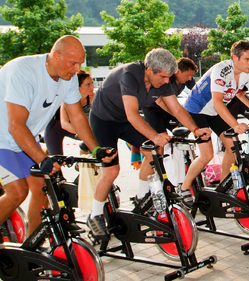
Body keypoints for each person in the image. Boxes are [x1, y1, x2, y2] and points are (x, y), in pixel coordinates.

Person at [0, 36, 115, 273]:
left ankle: (30, 246)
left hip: (23, 136)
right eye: (73, 63)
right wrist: (42, 158)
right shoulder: (23, 72)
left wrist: (95, 148)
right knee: (18, 192)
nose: (77, 69)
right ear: (55, 55)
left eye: (80, 64)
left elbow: (76, 117)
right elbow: (15, 126)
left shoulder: (66, 77)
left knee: (41, 190)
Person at [88, 48, 210, 241]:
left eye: (169, 77)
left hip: (125, 122)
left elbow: (176, 108)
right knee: (111, 171)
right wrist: (155, 135)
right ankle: (95, 214)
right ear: (149, 69)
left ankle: (142, 197)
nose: (166, 82)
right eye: (162, 77)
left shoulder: (162, 79)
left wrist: (195, 130)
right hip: (104, 120)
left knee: (155, 152)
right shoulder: (130, 75)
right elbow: (132, 114)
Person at [181, 41, 249, 197]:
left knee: (232, 146)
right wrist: (235, 125)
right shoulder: (221, 70)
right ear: (235, 58)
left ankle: (223, 187)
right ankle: (184, 189)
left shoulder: (248, 74)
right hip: (197, 110)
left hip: (214, 112)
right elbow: (217, 101)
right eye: (247, 59)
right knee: (207, 154)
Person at [44, 70, 95, 155]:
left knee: (91, 139)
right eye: (88, 85)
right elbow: (64, 124)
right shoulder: (67, 98)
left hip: (75, 126)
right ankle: (47, 152)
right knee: (57, 161)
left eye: (92, 83)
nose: (92, 87)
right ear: (78, 87)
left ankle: (81, 164)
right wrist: (84, 133)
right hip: (56, 127)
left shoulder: (92, 97)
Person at [142, 57, 198, 134]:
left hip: (167, 109)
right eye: (187, 75)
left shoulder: (187, 79)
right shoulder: (166, 79)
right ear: (178, 71)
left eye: (191, 76)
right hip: (152, 108)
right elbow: (160, 101)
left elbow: (197, 91)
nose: (190, 78)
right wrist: (177, 115)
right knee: (162, 136)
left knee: (182, 131)